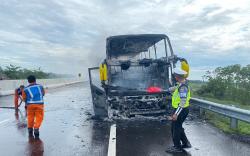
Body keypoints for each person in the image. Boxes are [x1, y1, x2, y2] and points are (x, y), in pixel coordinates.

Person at [166, 68, 191, 153]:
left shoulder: (183, 87)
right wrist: (167, 90)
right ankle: (186, 143)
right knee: (178, 127)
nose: (174, 77)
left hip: (181, 109)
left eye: (175, 76)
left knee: (175, 128)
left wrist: (176, 114)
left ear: (177, 76)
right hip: (182, 109)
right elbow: (175, 88)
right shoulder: (181, 84)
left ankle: (177, 147)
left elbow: (183, 102)